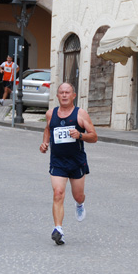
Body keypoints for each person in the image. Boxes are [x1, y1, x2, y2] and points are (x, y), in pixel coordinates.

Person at [39, 82, 97, 245]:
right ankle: (58, 229)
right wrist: (45, 143)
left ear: (73, 96)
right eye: (61, 92)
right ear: (57, 96)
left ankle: (80, 204)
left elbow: (94, 136)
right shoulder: (51, 113)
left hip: (76, 161)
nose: (64, 95)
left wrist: (80, 135)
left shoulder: (81, 114)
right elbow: (48, 129)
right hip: (57, 162)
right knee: (58, 193)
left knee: (77, 195)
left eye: (67, 92)